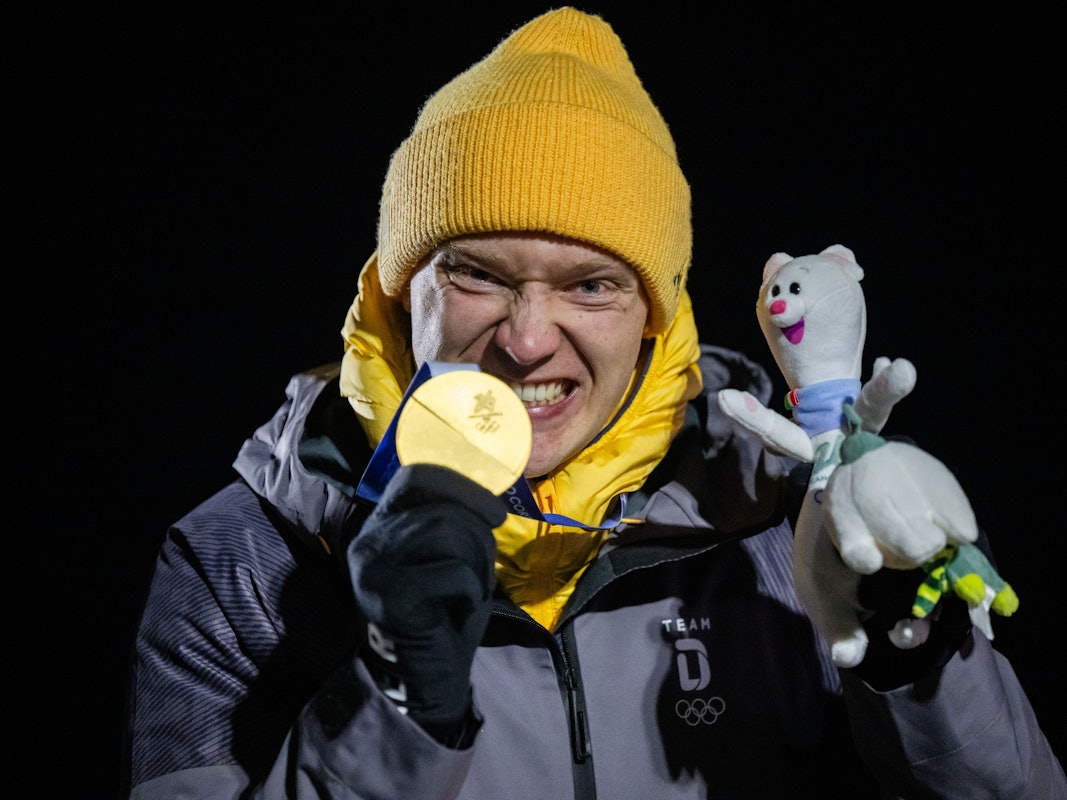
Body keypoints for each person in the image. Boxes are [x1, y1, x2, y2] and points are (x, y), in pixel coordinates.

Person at [122, 7, 1065, 799]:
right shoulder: (241, 560)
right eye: (477, 274)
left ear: (655, 315)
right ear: (400, 292)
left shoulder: (789, 512)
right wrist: (397, 697)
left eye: (591, 286)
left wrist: (913, 656)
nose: (528, 339)